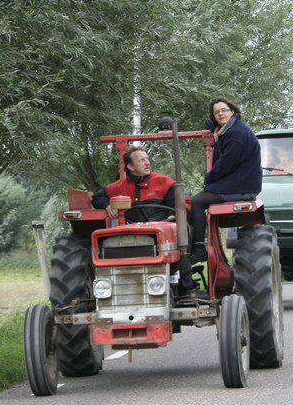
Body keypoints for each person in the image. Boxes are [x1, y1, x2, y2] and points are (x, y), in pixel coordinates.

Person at [92, 146, 200, 295]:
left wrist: (172, 217)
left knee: (183, 232)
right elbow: (97, 197)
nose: (147, 163)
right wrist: (107, 205)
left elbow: (183, 204)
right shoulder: (119, 186)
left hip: (164, 229)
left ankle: (186, 285)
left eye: (147, 159)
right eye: (141, 160)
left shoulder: (164, 182)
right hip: (133, 232)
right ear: (130, 166)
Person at [189, 97, 262, 262]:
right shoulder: (230, 128)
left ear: (233, 111)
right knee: (199, 199)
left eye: (224, 110)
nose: (221, 114)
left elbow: (225, 164)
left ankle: (199, 248)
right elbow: (210, 123)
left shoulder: (236, 134)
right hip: (239, 182)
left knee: (196, 202)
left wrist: (209, 179)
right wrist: (214, 125)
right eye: (217, 112)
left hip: (241, 185)